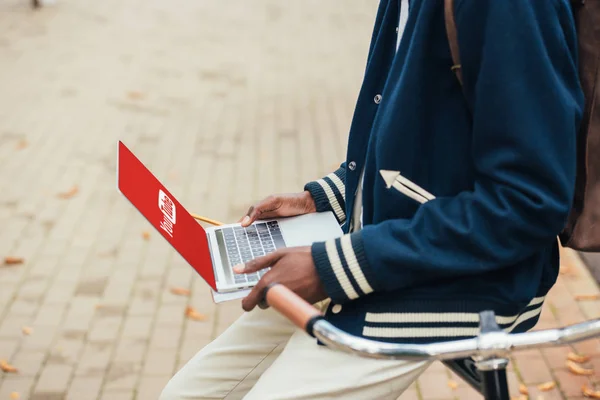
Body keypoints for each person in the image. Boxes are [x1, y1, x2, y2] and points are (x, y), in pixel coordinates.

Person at [160, 0, 584, 398]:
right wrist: (330, 198)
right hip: (379, 252)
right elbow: (425, 137)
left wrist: (334, 267)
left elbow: (530, 200)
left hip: (461, 280)